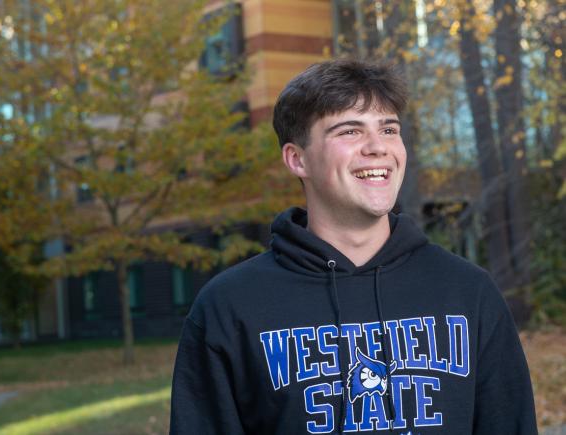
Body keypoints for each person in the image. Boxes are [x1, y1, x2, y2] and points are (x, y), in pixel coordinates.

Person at [170, 59, 537, 434]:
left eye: (389, 129)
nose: (378, 147)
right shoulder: (230, 307)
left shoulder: (467, 292)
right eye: (350, 131)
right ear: (297, 159)